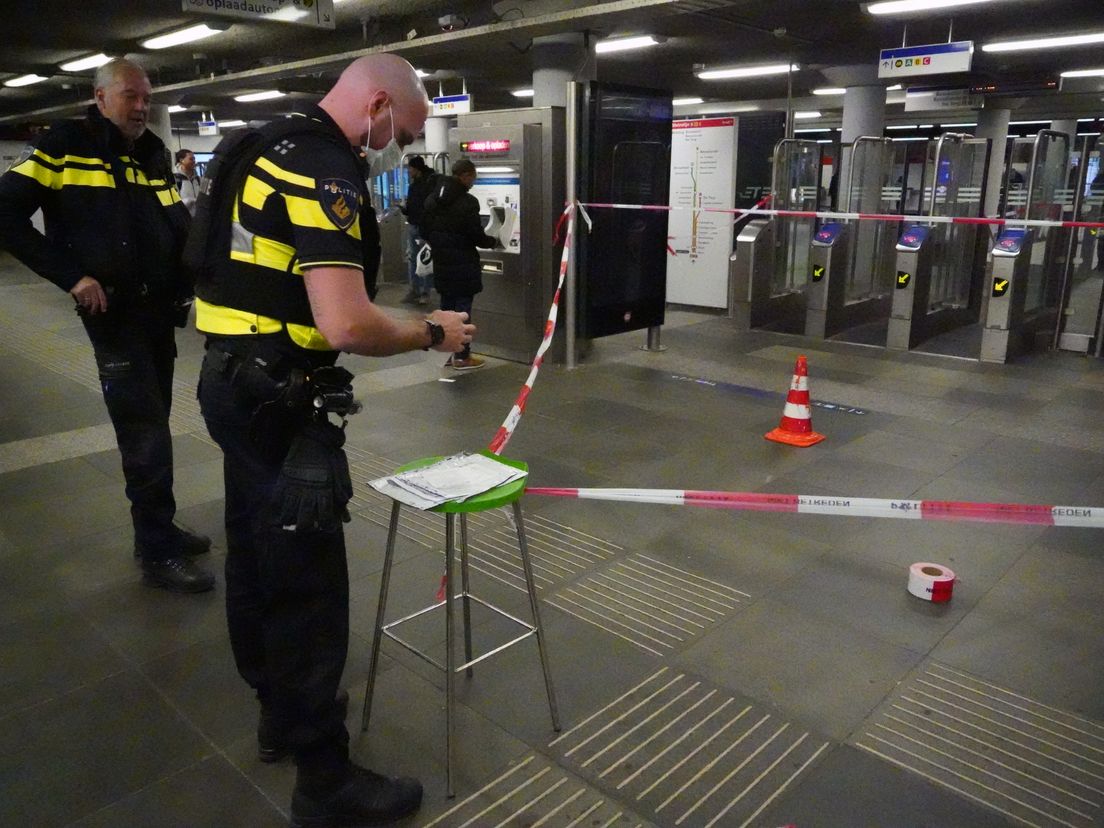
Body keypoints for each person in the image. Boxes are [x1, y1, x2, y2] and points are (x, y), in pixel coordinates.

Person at [192, 53, 474, 826]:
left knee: (252, 553)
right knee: (309, 589)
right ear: (378, 103)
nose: (399, 148)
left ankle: (278, 716)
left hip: (228, 378)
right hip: (278, 399)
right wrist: (430, 331)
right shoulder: (323, 166)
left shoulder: (257, 144)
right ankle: (325, 779)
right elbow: (345, 322)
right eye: (404, 132)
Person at [0, 58, 214, 593]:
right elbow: (4, 214)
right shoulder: (65, 145)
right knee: (142, 432)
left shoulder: (151, 153)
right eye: (130, 97)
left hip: (158, 313)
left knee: (156, 421)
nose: (142, 107)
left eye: (147, 97)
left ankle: (156, 530)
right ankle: (157, 553)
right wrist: (71, 276)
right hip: (113, 316)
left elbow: (175, 222)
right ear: (99, 98)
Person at [421, 158, 498, 370]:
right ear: (464, 175)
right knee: (463, 312)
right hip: (463, 265)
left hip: (442, 264)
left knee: (446, 311)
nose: (473, 181)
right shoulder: (468, 202)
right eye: (473, 177)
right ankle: (463, 357)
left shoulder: (432, 200)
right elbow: (476, 236)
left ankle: (448, 355)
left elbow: (423, 231)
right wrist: (492, 241)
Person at [398, 154, 436, 305]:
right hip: (420, 226)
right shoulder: (424, 183)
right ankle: (419, 291)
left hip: (421, 227)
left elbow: (420, 208)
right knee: (420, 258)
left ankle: (420, 291)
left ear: (417, 169)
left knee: (420, 259)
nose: (409, 172)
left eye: (410, 169)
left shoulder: (422, 185)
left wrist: (406, 211)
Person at [174, 148, 201, 216]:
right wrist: (187, 201)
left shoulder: (198, 179)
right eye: (191, 159)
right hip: (184, 219)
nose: (194, 161)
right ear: (181, 160)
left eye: (194, 159)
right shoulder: (175, 179)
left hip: (199, 219)